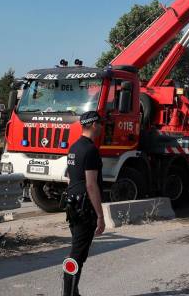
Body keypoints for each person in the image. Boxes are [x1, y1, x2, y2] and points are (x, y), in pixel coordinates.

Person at [63, 111, 105, 296]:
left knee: (78, 251)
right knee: (76, 255)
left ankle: (74, 292)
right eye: (101, 123)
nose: (102, 127)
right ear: (94, 124)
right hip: (84, 208)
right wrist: (100, 216)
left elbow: (69, 177)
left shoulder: (74, 147)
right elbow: (90, 184)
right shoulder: (90, 150)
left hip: (72, 205)